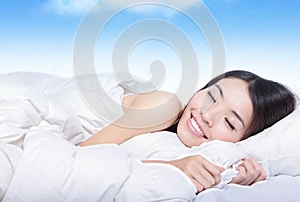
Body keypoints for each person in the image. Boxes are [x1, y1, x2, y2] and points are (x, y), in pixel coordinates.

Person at [79, 70, 296, 193]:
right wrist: (173, 168)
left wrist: (227, 179)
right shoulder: (164, 106)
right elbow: (80, 156)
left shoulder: (181, 147)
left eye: (229, 122)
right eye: (211, 97)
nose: (207, 114)